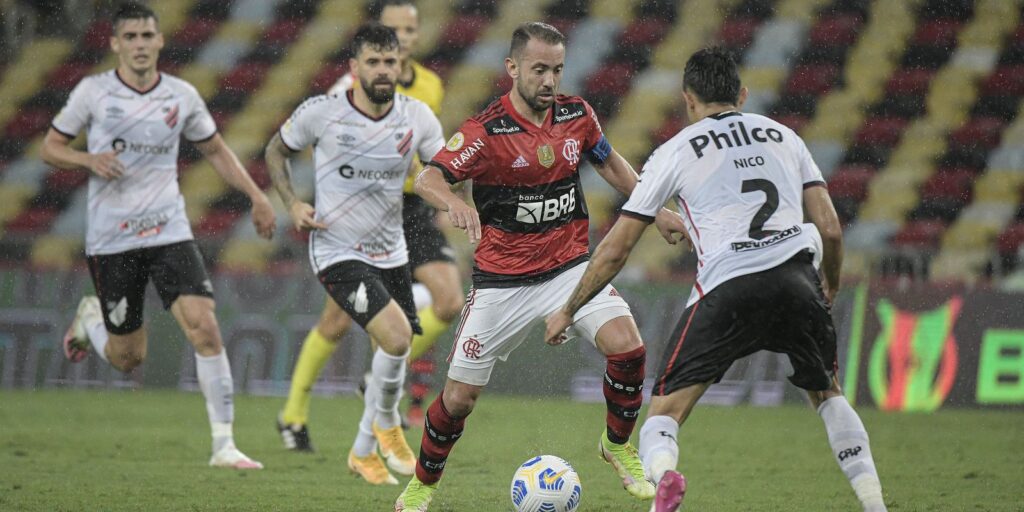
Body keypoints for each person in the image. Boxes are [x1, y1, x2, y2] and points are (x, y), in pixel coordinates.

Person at [544, 47, 888, 512]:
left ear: (688, 99)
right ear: (742, 94)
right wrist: (829, 285)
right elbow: (829, 227)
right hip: (796, 277)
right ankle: (874, 503)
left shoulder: (675, 151)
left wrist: (569, 308)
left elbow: (617, 248)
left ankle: (664, 480)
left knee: (663, 414)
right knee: (828, 394)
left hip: (728, 287)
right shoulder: (784, 136)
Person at [394, 22, 686, 511]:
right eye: (538, 70)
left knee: (629, 348)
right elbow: (428, 178)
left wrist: (655, 208)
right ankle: (421, 485)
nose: (549, 81)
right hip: (501, 283)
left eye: (556, 70)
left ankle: (615, 445)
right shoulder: (484, 131)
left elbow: (610, 163)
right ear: (512, 68)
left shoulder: (577, 114)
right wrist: (453, 202)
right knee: (459, 400)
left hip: (568, 267)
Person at [41, 1, 275, 470]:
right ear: (114, 44)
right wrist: (89, 160)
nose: (141, 45)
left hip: (168, 228)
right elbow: (50, 147)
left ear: (160, 40)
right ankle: (90, 322)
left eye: (148, 36)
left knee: (205, 326)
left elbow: (217, 150)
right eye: (131, 37)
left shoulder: (181, 95)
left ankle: (224, 444)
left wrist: (257, 196)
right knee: (129, 357)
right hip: (113, 239)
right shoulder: (93, 93)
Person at [264, 23, 446, 486]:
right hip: (336, 249)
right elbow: (275, 150)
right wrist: (291, 203)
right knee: (399, 338)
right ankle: (385, 423)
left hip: (392, 251)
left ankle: (364, 452)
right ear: (354, 68)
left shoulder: (418, 115)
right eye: (374, 62)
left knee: (396, 350)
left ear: (400, 65)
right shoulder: (322, 113)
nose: (384, 70)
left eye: (390, 62)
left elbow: (444, 170)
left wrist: (460, 194)